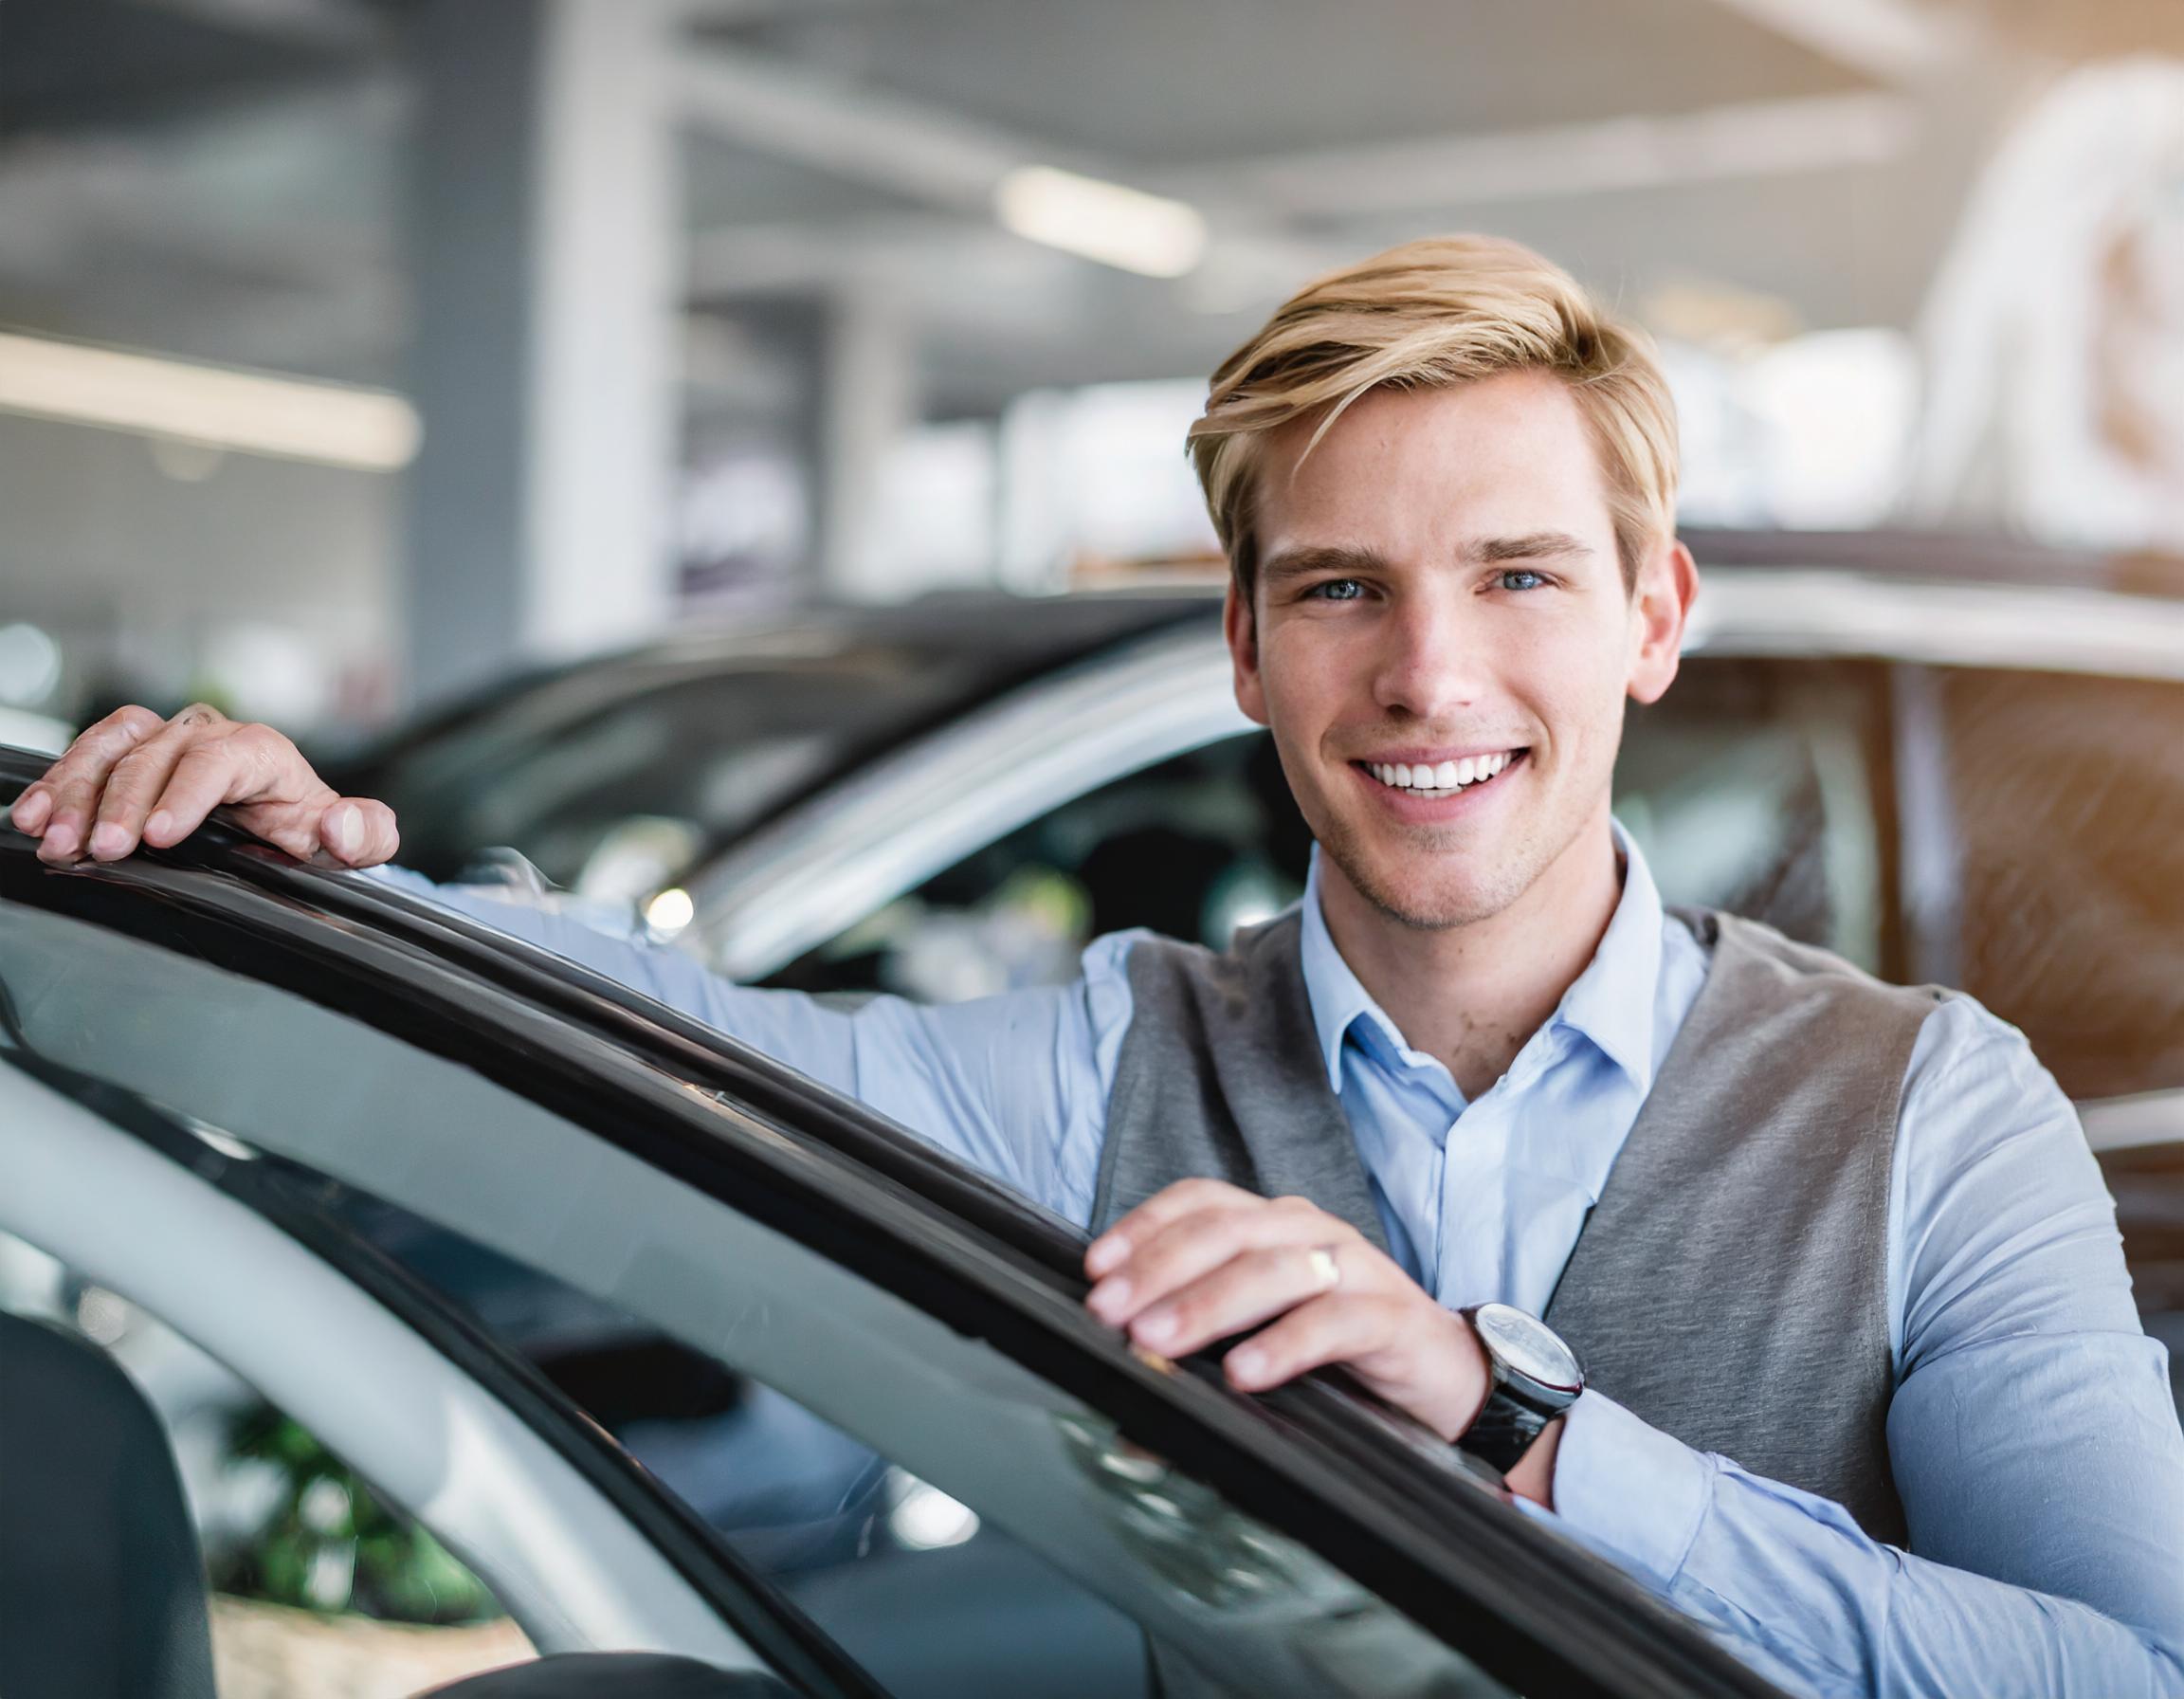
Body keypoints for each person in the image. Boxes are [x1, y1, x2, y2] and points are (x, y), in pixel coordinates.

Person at [16, 235, 2184, 1694]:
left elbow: (2123, 1672)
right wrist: (307, 867)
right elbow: (657, 1033)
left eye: (1519, 573)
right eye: (1341, 589)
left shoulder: (1932, 1108)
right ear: (1245, 644)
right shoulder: (1107, 1063)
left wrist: (1515, 1428)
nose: (1430, 674)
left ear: (1651, 616)